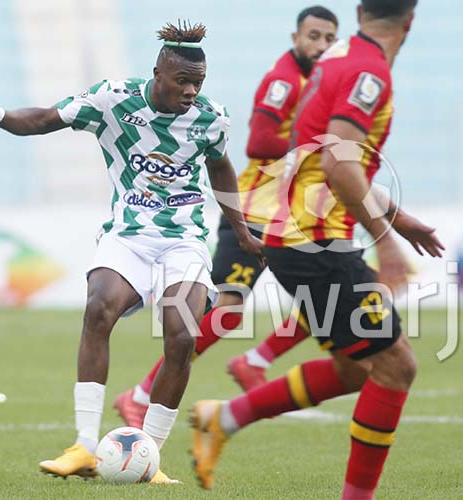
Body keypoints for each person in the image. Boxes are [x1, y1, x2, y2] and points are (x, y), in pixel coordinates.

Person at [0, 21, 262, 483]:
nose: (190, 92)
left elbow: (221, 167)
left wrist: (240, 230)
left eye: (198, 83)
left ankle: (149, 458)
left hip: (184, 238)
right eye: (182, 81)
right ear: (158, 73)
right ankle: (84, 447)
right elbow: (42, 120)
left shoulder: (210, 117)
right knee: (99, 307)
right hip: (129, 234)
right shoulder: (114, 99)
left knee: (182, 335)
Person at [189, 1, 445, 498]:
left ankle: (224, 418)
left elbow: (317, 157)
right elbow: (338, 166)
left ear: (359, 12)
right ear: (411, 21)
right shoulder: (369, 72)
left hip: (294, 236)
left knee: (357, 367)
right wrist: (387, 243)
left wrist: (397, 217)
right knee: (397, 366)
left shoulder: (335, 60)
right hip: (316, 241)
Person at [113, 6, 340, 429]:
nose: (322, 45)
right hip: (260, 207)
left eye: (330, 38)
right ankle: (142, 396)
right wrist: (322, 143)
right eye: (314, 36)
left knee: (327, 295)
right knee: (229, 308)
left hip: (299, 211)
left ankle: (254, 362)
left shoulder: (320, 81)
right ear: (296, 38)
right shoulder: (283, 80)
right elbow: (260, 142)